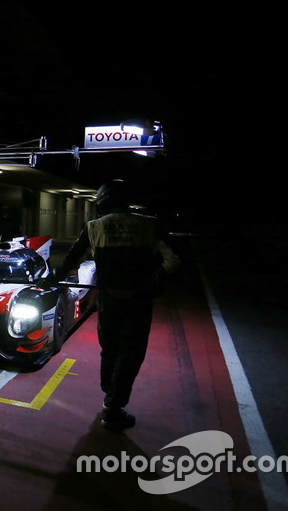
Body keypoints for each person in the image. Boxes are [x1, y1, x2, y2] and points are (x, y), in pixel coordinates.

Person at [46, 179, 179, 431]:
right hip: (139, 302)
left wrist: (51, 279)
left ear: (103, 203)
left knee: (109, 349)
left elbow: (72, 259)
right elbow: (173, 260)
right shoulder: (149, 225)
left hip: (108, 301)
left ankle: (109, 393)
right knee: (131, 353)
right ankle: (113, 406)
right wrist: (155, 287)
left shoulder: (94, 227)